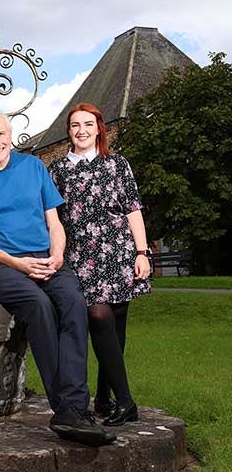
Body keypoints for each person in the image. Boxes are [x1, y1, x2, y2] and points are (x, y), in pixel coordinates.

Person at [0, 110, 116, 447]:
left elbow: (54, 222)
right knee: (39, 306)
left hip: (45, 258)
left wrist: (57, 255)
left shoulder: (34, 167)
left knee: (72, 303)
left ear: (10, 136)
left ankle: (74, 408)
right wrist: (18, 263)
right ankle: (68, 409)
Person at [48, 103, 151, 426]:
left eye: (88, 124)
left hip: (119, 253)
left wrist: (142, 252)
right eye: (75, 125)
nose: (82, 130)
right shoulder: (58, 170)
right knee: (98, 315)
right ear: (69, 131)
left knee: (115, 329)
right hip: (81, 257)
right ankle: (126, 402)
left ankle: (105, 396)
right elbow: (53, 218)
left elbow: (133, 209)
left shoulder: (117, 164)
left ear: (99, 128)